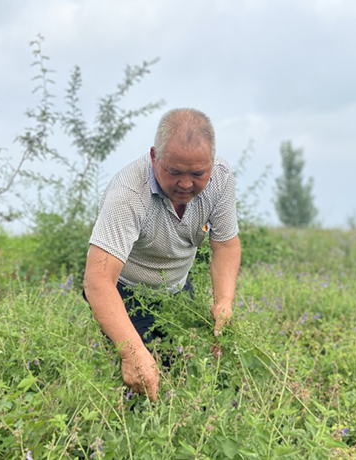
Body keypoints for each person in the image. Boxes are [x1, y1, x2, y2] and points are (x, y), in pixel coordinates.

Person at [83, 108, 241, 402]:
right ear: (155, 157)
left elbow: (226, 245)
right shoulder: (129, 192)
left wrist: (223, 304)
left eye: (197, 174)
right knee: (135, 382)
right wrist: (132, 353)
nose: (185, 184)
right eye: (174, 172)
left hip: (177, 289)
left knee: (187, 373)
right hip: (125, 290)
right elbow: (98, 281)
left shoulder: (220, 179)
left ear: (211, 163)